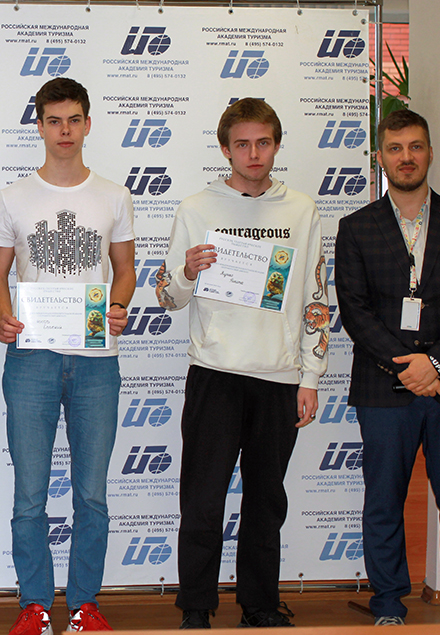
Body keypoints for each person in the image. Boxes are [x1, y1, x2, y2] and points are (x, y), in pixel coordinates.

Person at [155, 98, 328, 629]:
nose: (254, 154)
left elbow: (315, 298)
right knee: (202, 500)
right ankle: (196, 607)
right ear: (225, 149)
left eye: (263, 143)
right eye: (243, 144)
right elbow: (167, 298)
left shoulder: (301, 210)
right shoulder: (196, 208)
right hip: (215, 375)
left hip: (279, 378)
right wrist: (186, 272)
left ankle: (260, 604)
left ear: (276, 145)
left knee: (266, 502)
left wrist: (310, 376)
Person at [0, 77, 136, 635]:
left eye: (74, 120)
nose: (64, 131)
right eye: (54, 121)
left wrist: (118, 305)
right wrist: (4, 315)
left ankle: (84, 605)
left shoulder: (114, 195)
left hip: (96, 359)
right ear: (40, 126)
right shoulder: (12, 197)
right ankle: (34, 605)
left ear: (87, 124)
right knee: (30, 493)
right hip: (32, 359)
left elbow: (125, 270)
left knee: (91, 494)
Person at [334, 109, 440, 626]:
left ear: (429, 152)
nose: (407, 157)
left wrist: (436, 362)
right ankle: (387, 604)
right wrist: (408, 367)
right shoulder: (356, 228)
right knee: (383, 501)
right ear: (380, 157)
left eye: (416, 147)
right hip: (384, 386)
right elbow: (355, 309)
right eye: (396, 148)